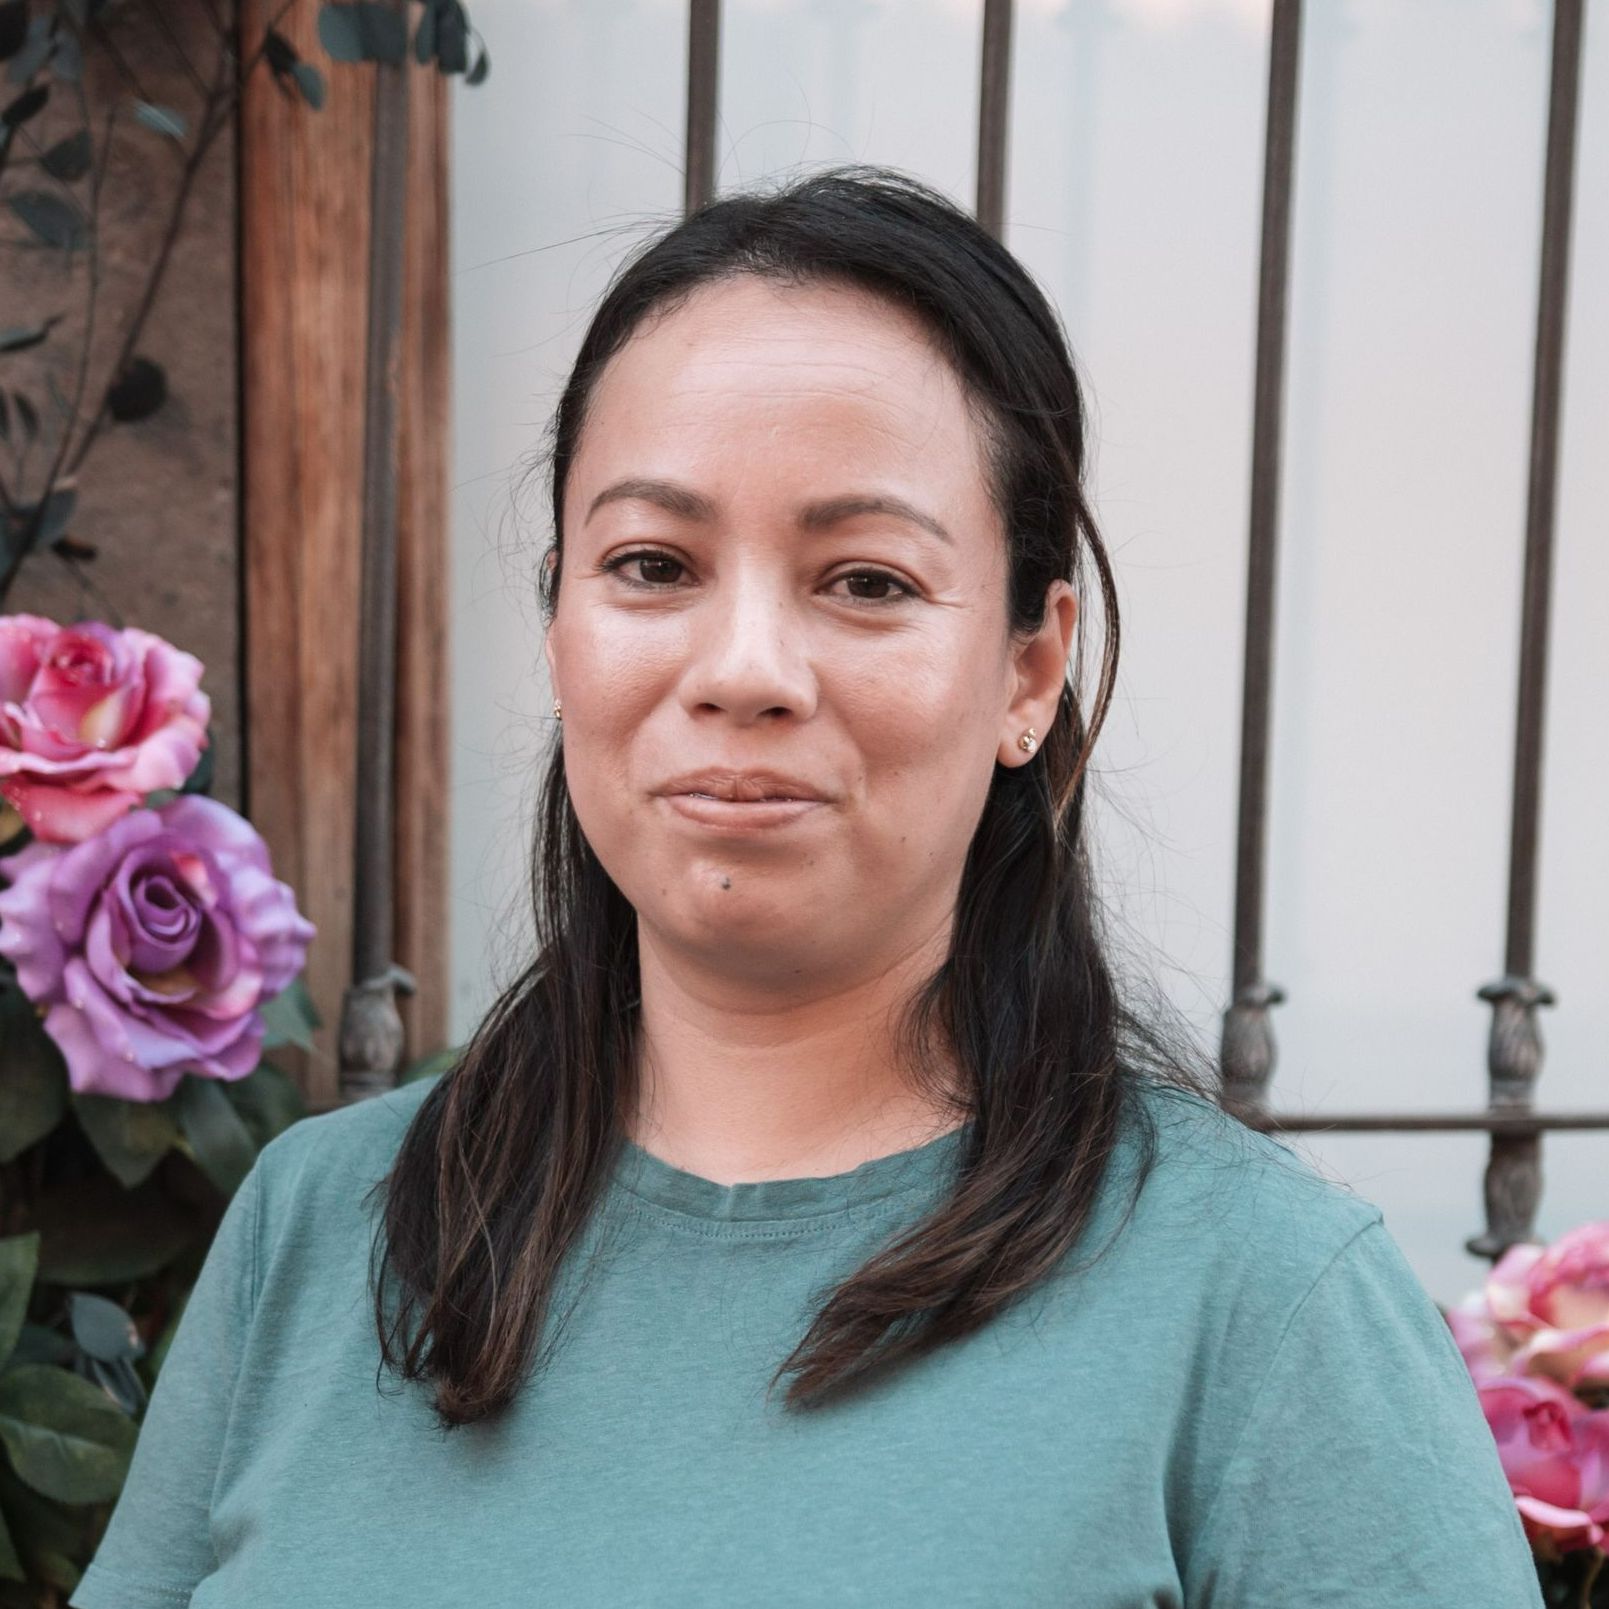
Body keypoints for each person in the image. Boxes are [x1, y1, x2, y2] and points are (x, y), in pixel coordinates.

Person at [70, 165, 1541, 1609]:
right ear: (559, 626)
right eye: (651, 563)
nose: (745, 670)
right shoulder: (324, 1230)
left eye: (866, 580)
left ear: (1030, 666)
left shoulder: (1262, 1306)